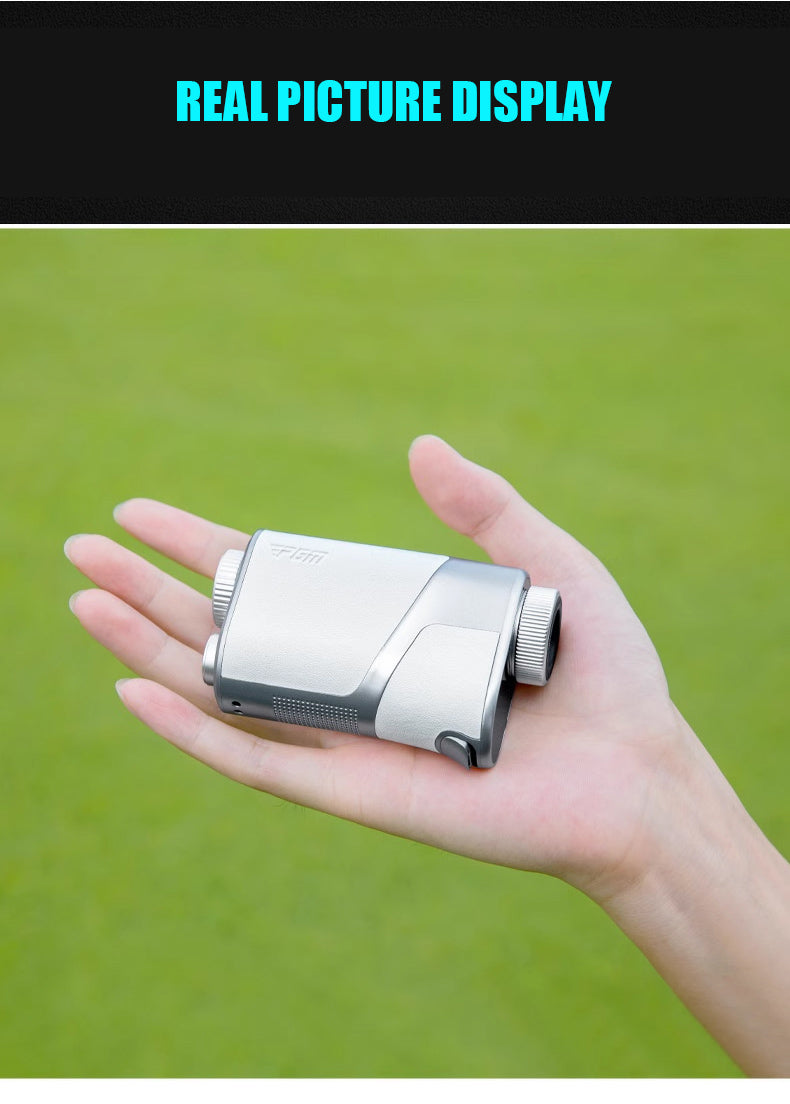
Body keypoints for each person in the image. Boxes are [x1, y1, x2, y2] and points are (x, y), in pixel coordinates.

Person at [64, 434, 790, 1077]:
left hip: (442, 675)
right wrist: (658, 827)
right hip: (437, 680)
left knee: (227, 651)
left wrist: (652, 823)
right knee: (229, 647)